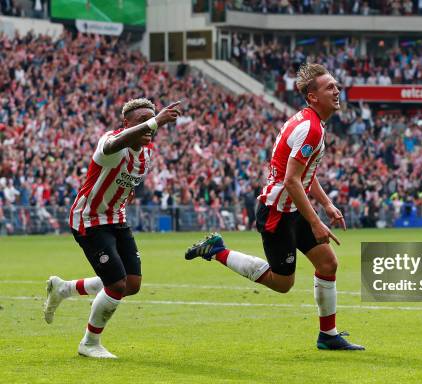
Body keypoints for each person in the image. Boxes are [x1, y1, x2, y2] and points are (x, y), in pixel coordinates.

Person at [185, 63, 364, 350]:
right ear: (312, 96)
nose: (337, 90)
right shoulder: (311, 129)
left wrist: (327, 204)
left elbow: (305, 175)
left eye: (336, 85)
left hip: (294, 209)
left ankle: (328, 335)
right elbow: (293, 181)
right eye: (330, 86)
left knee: (328, 263)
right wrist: (317, 221)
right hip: (277, 214)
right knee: (283, 283)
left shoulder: (313, 124)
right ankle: (218, 251)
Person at [43, 99, 181, 358]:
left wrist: (126, 194)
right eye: (142, 121)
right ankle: (90, 343)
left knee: (132, 284)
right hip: (89, 218)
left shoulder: (146, 154)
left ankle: (64, 289)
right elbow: (111, 147)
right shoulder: (112, 141)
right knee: (116, 285)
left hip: (116, 217)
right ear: (126, 124)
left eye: (151, 121)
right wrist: (156, 120)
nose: (149, 127)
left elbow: (126, 183)